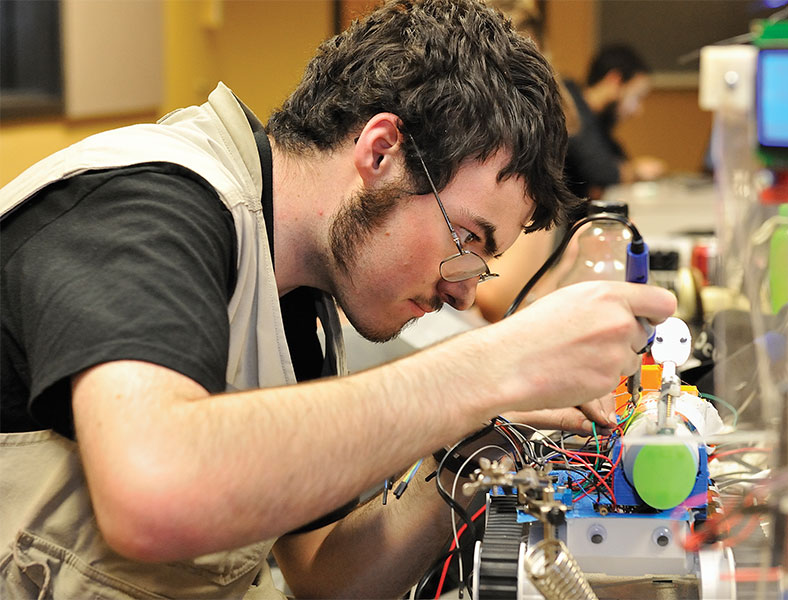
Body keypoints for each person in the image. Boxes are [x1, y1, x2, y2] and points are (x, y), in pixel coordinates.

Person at [0, 1, 675, 598]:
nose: (465, 287)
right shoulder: (148, 207)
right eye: (466, 236)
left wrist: (479, 446)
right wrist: (490, 367)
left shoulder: (304, 292)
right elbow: (153, 491)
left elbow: (323, 574)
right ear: (381, 152)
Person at [563, 43, 667, 201]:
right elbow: (602, 171)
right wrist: (636, 171)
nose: (637, 111)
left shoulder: (597, 119)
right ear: (615, 80)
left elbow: (618, 160)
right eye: (637, 97)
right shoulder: (569, 106)